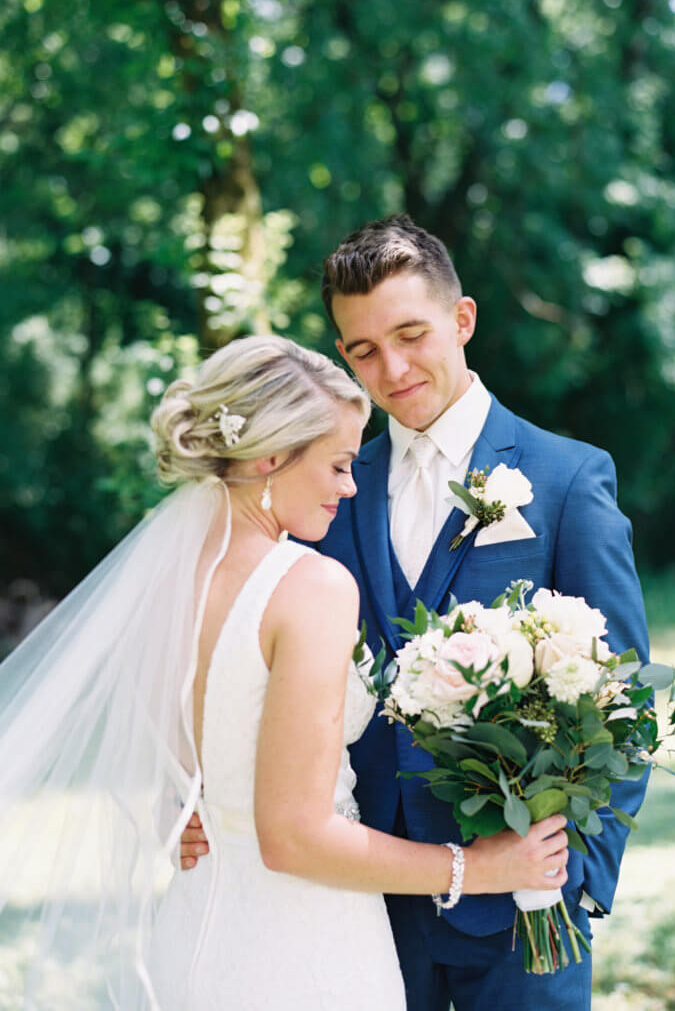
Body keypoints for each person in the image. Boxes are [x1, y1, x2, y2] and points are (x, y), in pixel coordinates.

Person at [0, 335, 569, 1009]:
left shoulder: (161, 582)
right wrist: (475, 869)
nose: (351, 486)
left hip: (187, 936)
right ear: (269, 457)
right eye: (336, 466)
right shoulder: (310, 588)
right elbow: (294, 837)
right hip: (301, 951)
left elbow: (183, 768)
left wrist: (177, 813)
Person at [182, 215, 650, 1011]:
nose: (391, 368)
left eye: (410, 334)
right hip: (356, 902)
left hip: (520, 914)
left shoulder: (567, 480)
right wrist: (203, 797)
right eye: (362, 350)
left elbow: (625, 698)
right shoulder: (323, 485)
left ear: (461, 319)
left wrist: (575, 883)